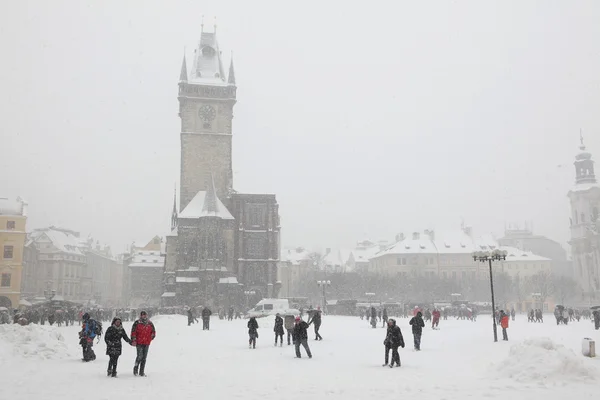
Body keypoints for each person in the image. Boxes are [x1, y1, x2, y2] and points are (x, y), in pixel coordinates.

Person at [131, 311, 156, 377]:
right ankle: (136, 369)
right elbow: (133, 332)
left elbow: (153, 332)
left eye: (145, 315)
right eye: (143, 315)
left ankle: (142, 372)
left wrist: (150, 338)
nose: (144, 316)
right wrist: (134, 339)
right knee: (139, 356)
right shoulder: (137, 323)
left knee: (144, 358)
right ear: (141, 315)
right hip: (139, 343)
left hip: (147, 343)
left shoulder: (150, 323)